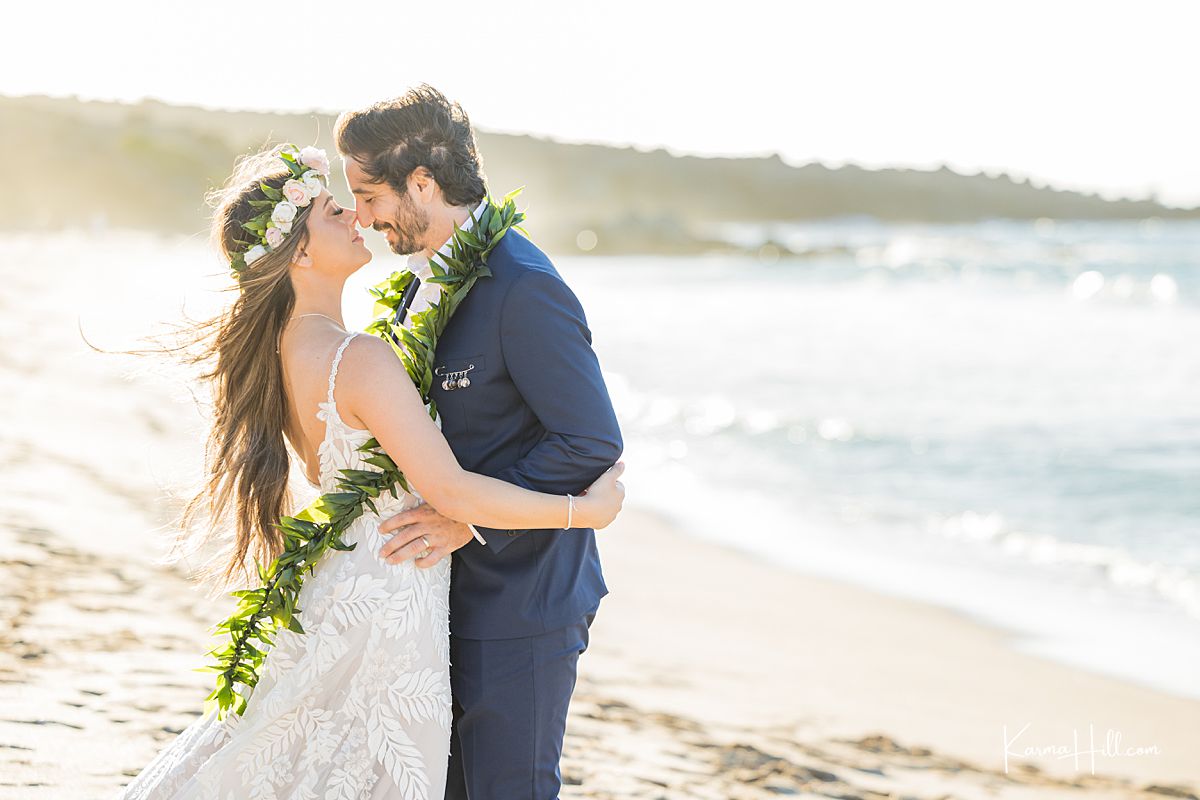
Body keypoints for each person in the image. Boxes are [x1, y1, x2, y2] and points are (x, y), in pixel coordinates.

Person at [114, 142, 624, 800]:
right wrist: (584, 512)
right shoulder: (358, 357)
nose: (356, 218)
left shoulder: (285, 352)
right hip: (388, 595)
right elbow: (447, 489)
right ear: (299, 251)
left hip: (350, 582)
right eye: (334, 212)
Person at [335, 85, 625, 799]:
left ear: (423, 184)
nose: (365, 218)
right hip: (440, 601)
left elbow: (590, 442)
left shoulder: (524, 287)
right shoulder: (414, 289)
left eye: (369, 196)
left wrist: (463, 515)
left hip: (525, 601)